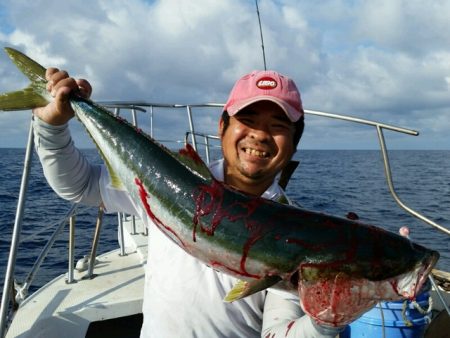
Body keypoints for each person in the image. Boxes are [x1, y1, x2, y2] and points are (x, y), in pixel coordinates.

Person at [32, 69, 345, 337]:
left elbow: (278, 331)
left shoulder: (294, 235)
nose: (260, 135)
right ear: (222, 127)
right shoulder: (170, 184)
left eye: (278, 126)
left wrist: (326, 319)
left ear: (294, 142)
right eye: (247, 119)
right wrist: (51, 126)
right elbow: (79, 184)